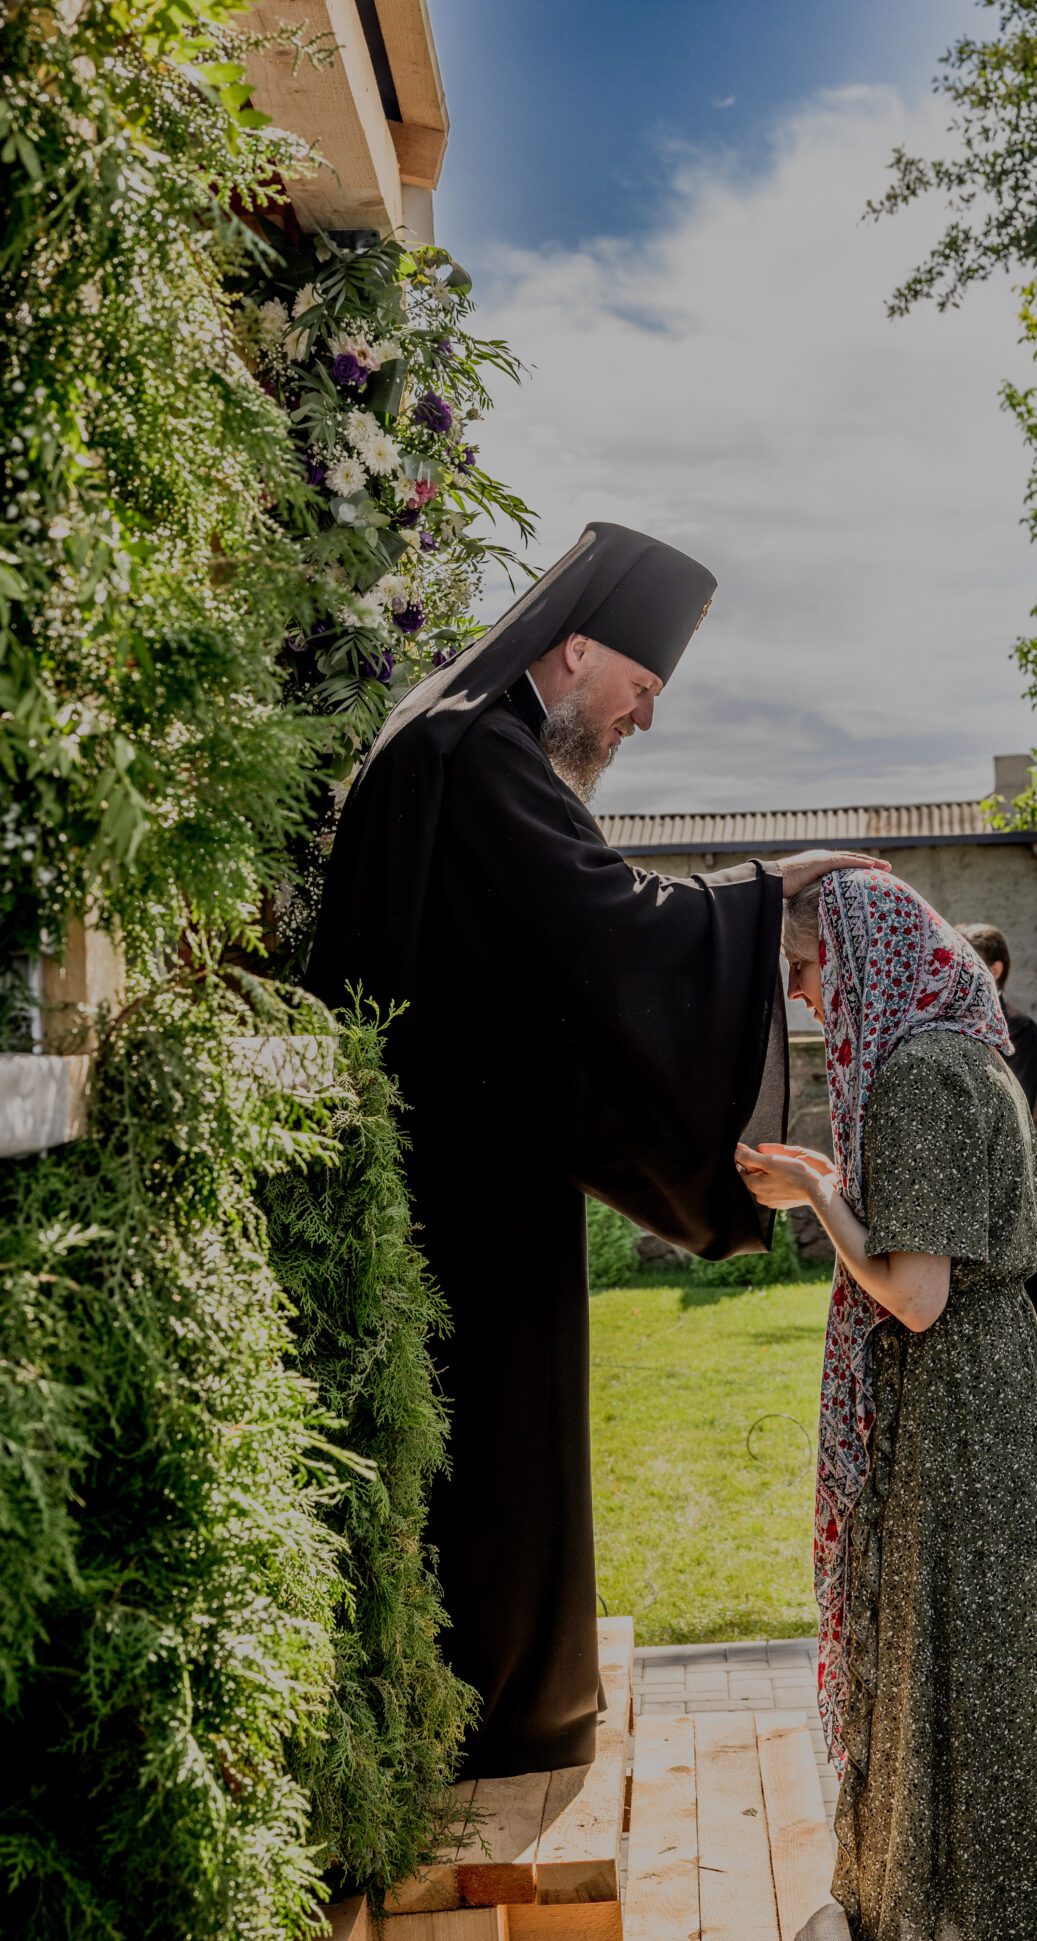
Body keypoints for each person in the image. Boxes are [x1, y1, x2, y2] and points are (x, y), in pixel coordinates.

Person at [307, 520, 884, 1776]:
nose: (645, 719)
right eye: (642, 685)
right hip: (464, 1195)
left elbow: (554, 946)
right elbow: (604, 925)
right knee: (496, 1452)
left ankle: (507, 1699)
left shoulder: (459, 741)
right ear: (576, 650)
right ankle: (504, 1717)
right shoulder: (477, 751)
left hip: (461, 1167)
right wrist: (763, 893)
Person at [736, 871, 1037, 1941]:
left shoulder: (920, 1076)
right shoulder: (969, 1053)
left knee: (950, 1719)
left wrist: (813, 1190)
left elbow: (915, 1292)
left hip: (960, 1434)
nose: (801, 996)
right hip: (992, 1416)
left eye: (804, 970)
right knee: (987, 1727)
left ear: (858, 954)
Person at [957, 922, 1037, 1338]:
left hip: (1006, 1184)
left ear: (994, 970)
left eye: (967, 959)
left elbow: (1012, 1107)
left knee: (1018, 1298)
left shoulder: (1020, 1031)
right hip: (966, 1184)